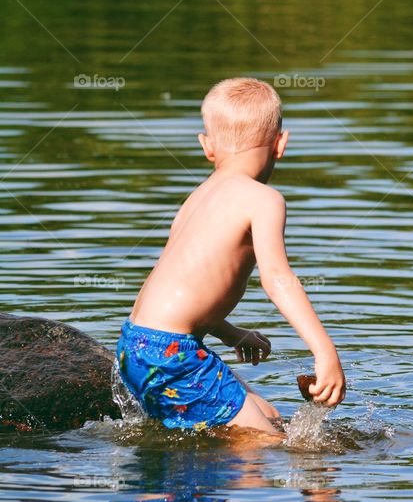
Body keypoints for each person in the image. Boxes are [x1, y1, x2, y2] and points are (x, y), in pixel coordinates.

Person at [115, 77, 345, 435]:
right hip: (172, 351)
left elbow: (184, 285)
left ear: (207, 147)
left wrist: (232, 333)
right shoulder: (264, 199)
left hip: (136, 343)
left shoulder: (197, 197)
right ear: (280, 144)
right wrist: (325, 352)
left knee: (269, 418)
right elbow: (277, 279)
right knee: (262, 445)